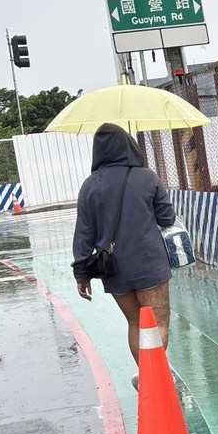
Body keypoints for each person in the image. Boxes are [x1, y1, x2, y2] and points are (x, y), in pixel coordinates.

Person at [72, 123, 176, 378]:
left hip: (114, 269)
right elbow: (167, 218)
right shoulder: (147, 177)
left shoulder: (89, 186)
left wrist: (82, 274)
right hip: (150, 264)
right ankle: (153, 379)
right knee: (158, 323)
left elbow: (84, 234)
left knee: (135, 323)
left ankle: (147, 377)